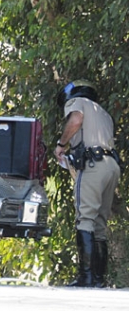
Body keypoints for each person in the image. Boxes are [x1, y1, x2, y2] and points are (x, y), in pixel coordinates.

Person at [53, 80, 120, 288]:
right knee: (99, 224)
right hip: (112, 166)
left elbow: (76, 120)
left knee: (85, 219)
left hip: (93, 164)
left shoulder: (77, 102)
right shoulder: (104, 113)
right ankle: (99, 279)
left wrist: (61, 145)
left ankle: (86, 278)